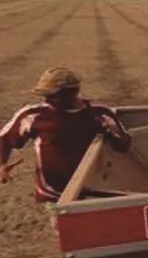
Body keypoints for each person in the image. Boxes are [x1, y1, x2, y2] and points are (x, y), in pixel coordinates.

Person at [0, 67, 133, 202]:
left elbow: (123, 146)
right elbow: (4, 139)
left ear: (72, 92)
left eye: (53, 96)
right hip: (52, 193)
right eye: (46, 95)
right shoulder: (33, 116)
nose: (47, 100)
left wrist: (115, 134)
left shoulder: (99, 113)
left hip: (92, 191)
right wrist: (2, 164)